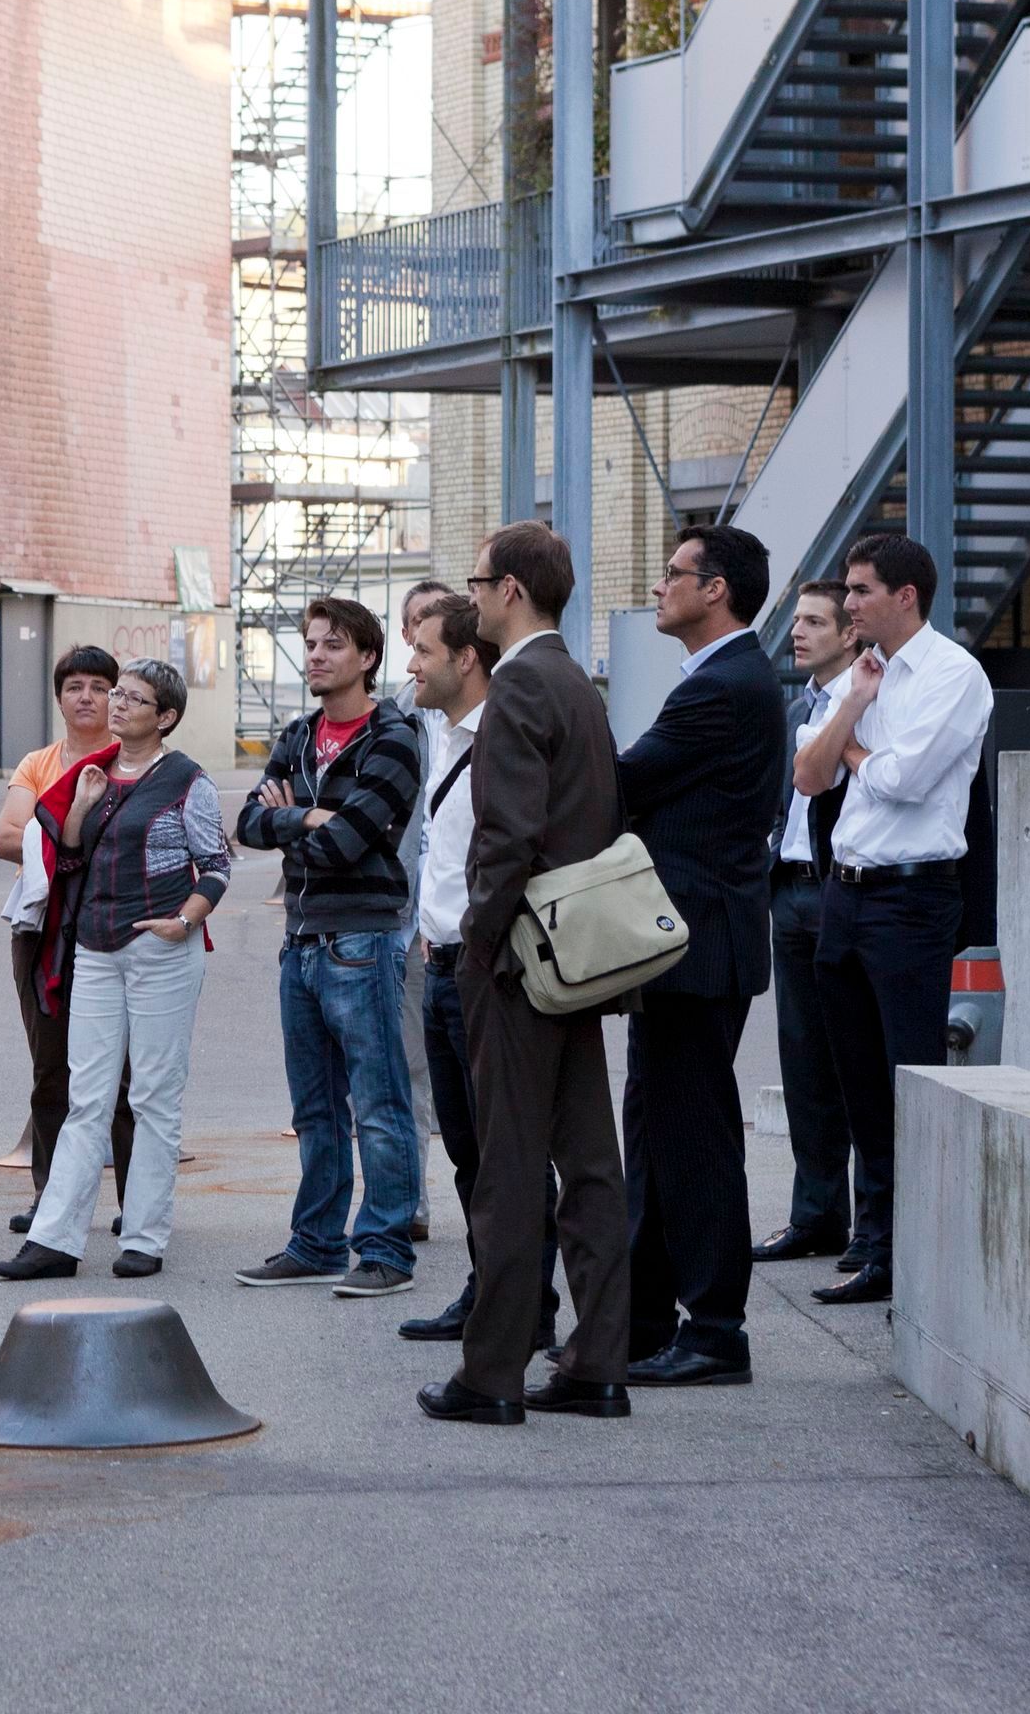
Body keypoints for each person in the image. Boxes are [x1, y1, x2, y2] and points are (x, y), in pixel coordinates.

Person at [420, 521, 633, 1425]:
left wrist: (477, 943)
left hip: (517, 962)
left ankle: (492, 1374)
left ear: (510, 590)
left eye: (477, 584)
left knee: (508, 1168)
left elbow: (505, 838)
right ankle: (597, 1364)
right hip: (575, 953)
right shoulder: (578, 684)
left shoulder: (514, 689)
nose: (471, 600)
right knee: (588, 1161)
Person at [794, 532, 992, 1307]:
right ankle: (874, 1247)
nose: (847, 604)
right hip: (845, 895)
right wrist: (853, 707)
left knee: (907, 1077)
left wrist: (849, 746)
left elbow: (906, 780)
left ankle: (911, 1253)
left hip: (912, 900)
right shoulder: (862, 674)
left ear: (904, 596)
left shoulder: (955, 675)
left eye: (861, 590)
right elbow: (807, 776)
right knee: (858, 1086)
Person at [614, 526, 788, 1387]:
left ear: (715, 588)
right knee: (653, 1134)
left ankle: (715, 1331)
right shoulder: (719, 679)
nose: (658, 586)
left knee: (695, 1141)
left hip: (698, 947)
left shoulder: (722, 687)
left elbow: (627, 782)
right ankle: (649, 1321)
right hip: (683, 947)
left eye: (672, 573)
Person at [0, 658, 232, 1281]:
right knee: (87, 1097)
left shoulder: (188, 780)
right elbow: (71, 854)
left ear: (167, 717)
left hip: (161, 950)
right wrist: (84, 805)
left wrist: (183, 921)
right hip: (96, 951)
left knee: (153, 1095)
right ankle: (56, 1241)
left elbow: (215, 864)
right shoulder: (94, 774)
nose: (117, 705)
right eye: (118, 694)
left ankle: (145, 1237)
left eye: (134, 699)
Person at [232, 597, 426, 1298]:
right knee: (314, 1108)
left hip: (363, 941)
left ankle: (384, 1250)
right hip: (302, 939)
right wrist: (301, 814)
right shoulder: (298, 733)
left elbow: (346, 843)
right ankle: (316, 1243)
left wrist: (293, 819)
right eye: (311, 644)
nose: (315, 655)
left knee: (378, 1104)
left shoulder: (393, 738)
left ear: (368, 658)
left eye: (333, 646)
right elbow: (246, 824)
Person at [391, 594, 562, 1349]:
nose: (411, 664)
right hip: (441, 963)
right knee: (466, 1149)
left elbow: (517, 851)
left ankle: (524, 1306)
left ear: (465, 658)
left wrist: (475, 945)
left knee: (506, 1153)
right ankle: (490, 1288)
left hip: (485, 966)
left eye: (423, 650)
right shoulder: (436, 728)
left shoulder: (499, 730)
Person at [0, 644, 133, 1238]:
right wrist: (72, 833)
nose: (86, 697)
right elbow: (4, 836)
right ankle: (49, 1196)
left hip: (113, 930)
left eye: (100, 687)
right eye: (74, 686)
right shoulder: (38, 763)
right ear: (58, 698)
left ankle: (139, 1199)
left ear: (116, 698)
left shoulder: (133, 762)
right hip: (44, 929)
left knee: (125, 1074)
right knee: (50, 1067)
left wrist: (49, 836)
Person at [757, 580, 861, 1268]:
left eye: (816, 622)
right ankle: (816, 1215)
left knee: (852, 1060)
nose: (799, 633)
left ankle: (872, 1228)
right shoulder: (800, 705)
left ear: (849, 633)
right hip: (788, 892)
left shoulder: (869, 701)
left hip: (838, 893)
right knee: (802, 1063)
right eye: (797, 621)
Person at [389, 577, 456, 1243]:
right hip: (405, 921)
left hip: (462, 922)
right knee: (404, 1064)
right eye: (413, 622)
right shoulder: (395, 718)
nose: (419, 634)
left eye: (433, 623)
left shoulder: (481, 714)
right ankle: (409, 1199)